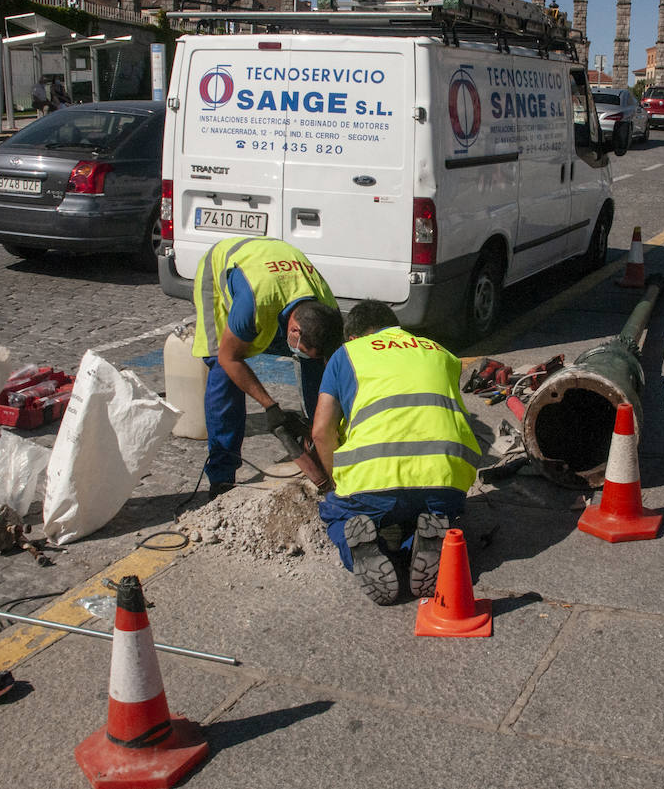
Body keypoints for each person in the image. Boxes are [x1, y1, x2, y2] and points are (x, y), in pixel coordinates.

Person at [311, 299, 481, 605]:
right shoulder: (441, 352)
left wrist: (337, 482)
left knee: (338, 515)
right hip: (446, 479)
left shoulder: (347, 355)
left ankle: (365, 550)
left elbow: (321, 431)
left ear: (354, 337)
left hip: (374, 481)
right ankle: (426, 535)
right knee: (421, 510)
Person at [191, 235, 344, 497]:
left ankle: (318, 448)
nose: (301, 353)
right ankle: (222, 477)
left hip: (276, 271)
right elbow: (231, 358)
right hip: (225, 268)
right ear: (293, 329)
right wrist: (270, 407)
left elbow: (330, 367)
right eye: (300, 347)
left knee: (316, 368)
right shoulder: (253, 304)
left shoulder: (327, 307)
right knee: (222, 371)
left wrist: (319, 426)